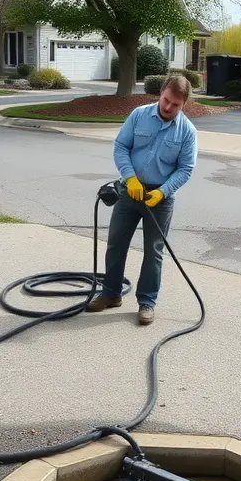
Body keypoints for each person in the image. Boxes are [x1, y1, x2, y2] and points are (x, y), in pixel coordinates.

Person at [87, 74, 198, 325]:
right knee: (116, 243)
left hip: (160, 198)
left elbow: (186, 169)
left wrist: (163, 191)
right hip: (130, 191)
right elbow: (120, 147)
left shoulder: (187, 132)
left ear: (184, 104)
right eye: (166, 100)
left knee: (154, 251)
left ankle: (147, 302)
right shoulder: (138, 115)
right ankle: (111, 294)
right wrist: (130, 177)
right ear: (161, 93)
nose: (168, 107)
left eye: (176, 105)